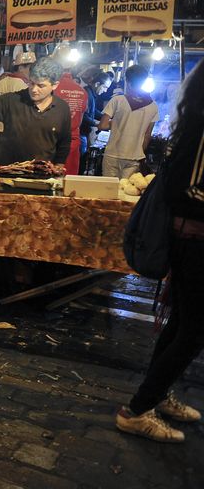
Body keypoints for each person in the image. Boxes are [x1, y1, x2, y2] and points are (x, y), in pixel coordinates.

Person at [115, 61, 204, 443]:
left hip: (191, 239)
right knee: (194, 330)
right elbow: (187, 191)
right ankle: (137, 409)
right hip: (193, 240)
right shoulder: (200, 129)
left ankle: (158, 394)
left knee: (183, 323)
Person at [0, 57, 70, 166]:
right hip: (9, 172)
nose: (34, 89)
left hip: (42, 173)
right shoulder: (13, 100)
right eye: (31, 83)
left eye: (41, 86)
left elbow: (64, 142)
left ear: (55, 85)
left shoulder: (62, 108)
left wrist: (59, 166)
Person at [99, 65, 158, 179]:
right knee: (127, 188)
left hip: (112, 155)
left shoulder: (117, 100)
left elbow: (102, 125)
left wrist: (117, 122)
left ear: (127, 81)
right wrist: (139, 151)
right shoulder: (153, 106)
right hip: (134, 157)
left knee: (109, 187)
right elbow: (147, 135)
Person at [54, 71, 89, 175]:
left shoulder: (53, 88)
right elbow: (81, 118)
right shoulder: (82, 91)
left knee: (51, 174)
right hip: (73, 137)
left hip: (54, 139)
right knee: (70, 174)